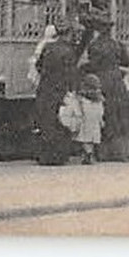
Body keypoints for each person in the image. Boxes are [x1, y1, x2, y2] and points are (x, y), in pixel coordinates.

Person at [81, 14, 129, 161]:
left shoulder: (94, 45)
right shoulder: (117, 44)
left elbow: (93, 64)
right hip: (117, 81)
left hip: (102, 80)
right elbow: (127, 62)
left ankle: (103, 153)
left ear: (98, 30)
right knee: (120, 115)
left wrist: (84, 69)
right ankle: (123, 152)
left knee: (105, 115)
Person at [32, 22, 81, 166]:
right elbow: (71, 73)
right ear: (68, 34)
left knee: (46, 121)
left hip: (45, 88)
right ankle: (58, 156)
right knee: (60, 120)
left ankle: (45, 156)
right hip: (60, 90)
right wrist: (73, 89)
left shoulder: (48, 47)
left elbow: (38, 65)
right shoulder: (69, 51)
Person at [72, 73, 106, 165]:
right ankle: (90, 153)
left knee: (85, 139)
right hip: (95, 122)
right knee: (92, 139)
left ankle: (88, 154)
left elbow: (78, 110)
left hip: (85, 121)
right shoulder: (99, 100)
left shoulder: (82, 99)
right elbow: (100, 112)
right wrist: (101, 121)